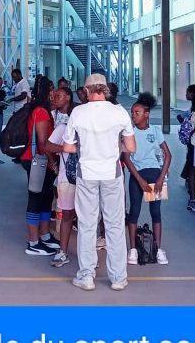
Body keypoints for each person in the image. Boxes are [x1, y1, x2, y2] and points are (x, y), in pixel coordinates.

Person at [64, 73, 136, 291]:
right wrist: (114, 146)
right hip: (112, 173)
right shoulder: (119, 112)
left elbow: (67, 147)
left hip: (87, 173)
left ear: (87, 91)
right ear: (105, 90)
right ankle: (118, 278)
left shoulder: (78, 112)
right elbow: (131, 147)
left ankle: (86, 276)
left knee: (87, 225)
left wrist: (84, 147)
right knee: (115, 225)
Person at [123, 92, 171, 265]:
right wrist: (140, 180)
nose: (133, 116)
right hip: (138, 176)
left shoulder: (155, 131)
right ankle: (133, 250)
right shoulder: (130, 133)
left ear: (147, 114)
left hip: (155, 176)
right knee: (134, 211)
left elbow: (168, 155)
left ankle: (157, 249)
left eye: (137, 112)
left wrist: (161, 178)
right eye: (132, 113)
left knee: (155, 212)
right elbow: (127, 158)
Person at [21, 76, 59, 256]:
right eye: (52, 90)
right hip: (38, 161)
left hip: (43, 161)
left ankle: (44, 235)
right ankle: (33, 242)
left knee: (46, 198)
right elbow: (43, 144)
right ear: (47, 91)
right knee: (36, 199)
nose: (54, 93)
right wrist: (54, 162)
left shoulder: (44, 110)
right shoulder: (41, 112)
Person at [43, 86, 76, 267]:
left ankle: (88, 254)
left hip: (88, 176)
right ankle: (63, 251)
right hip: (67, 176)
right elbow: (47, 146)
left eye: (59, 96)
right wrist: (66, 148)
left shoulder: (85, 129)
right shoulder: (63, 127)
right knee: (67, 214)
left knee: (87, 217)